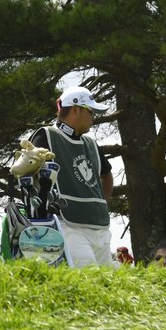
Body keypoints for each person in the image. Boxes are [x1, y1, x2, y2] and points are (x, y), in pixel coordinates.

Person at [28, 85, 114, 267]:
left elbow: (106, 174)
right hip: (68, 224)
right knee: (87, 275)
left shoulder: (90, 142)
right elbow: (29, 174)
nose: (93, 117)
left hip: (100, 226)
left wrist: (102, 203)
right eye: (90, 111)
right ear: (75, 109)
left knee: (107, 282)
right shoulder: (47, 135)